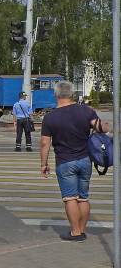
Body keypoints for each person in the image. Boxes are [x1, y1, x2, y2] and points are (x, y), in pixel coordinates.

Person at [40, 80, 110, 242]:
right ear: (72, 94)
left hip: (65, 162)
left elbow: (45, 143)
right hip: (85, 160)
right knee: (83, 198)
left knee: (70, 197)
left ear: (56, 94)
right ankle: (82, 230)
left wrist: (44, 164)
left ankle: (75, 232)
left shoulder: (50, 117)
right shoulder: (86, 111)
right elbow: (102, 127)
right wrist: (106, 126)